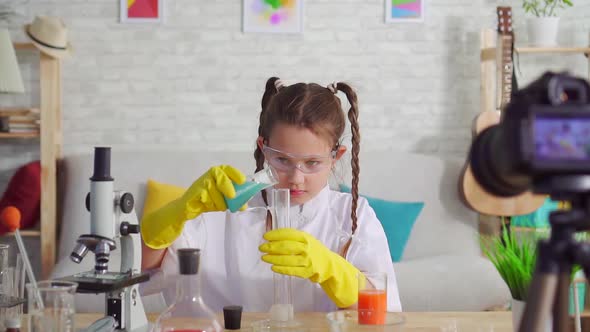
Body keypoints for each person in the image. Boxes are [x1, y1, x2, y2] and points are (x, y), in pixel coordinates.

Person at [141, 77, 402, 313]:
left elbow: (385, 311)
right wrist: (178, 212)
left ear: (336, 157)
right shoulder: (224, 210)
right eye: (282, 160)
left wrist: (335, 272)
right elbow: (145, 273)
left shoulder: (353, 216)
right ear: (263, 149)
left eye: (312, 163)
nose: (296, 178)